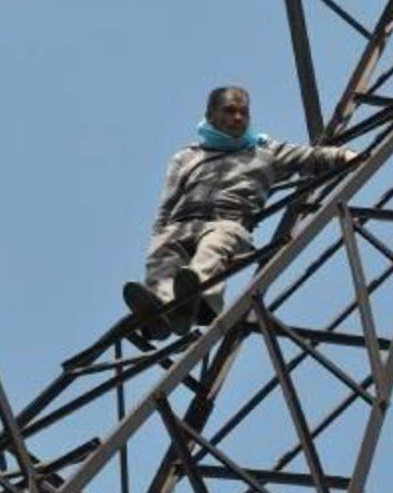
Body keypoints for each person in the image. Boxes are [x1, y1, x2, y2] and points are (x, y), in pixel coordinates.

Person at [123, 86, 358, 340]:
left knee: (213, 248)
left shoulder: (264, 151)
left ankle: (195, 301)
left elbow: (312, 157)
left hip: (227, 222)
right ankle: (161, 312)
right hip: (182, 223)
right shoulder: (187, 157)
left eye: (243, 112)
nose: (238, 118)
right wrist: (159, 235)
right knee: (162, 257)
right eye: (229, 111)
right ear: (211, 115)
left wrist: (345, 156)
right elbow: (167, 202)